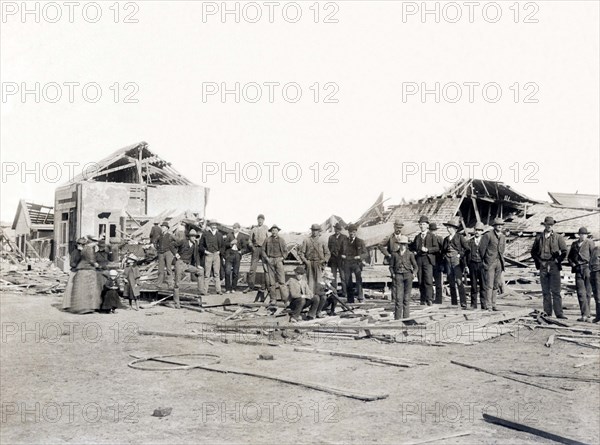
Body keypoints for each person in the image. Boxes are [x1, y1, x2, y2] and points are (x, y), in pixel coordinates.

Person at [531, 216, 568, 318]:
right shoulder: (539, 237)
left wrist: (557, 260)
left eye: (551, 225)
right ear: (545, 225)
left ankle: (559, 314)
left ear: (553, 226)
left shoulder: (558, 237)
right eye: (548, 225)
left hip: (554, 265)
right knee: (545, 291)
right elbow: (533, 252)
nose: (549, 226)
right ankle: (547, 313)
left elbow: (565, 251)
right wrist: (539, 261)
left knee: (556, 291)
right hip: (543, 265)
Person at [410, 216, 439, 306]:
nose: (422, 226)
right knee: (420, 280)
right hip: (419, 259)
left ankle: (429, 299)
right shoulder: (417, 237)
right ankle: (422, 299)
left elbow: (437, 248)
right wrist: (414, 251)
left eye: (423, 224)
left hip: (428, 259)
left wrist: (427, 250)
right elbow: (413, 247)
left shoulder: (432, 236)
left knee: (428, 280)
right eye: (420, 224)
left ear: (427, 225)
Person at [442, 217, 470, 308]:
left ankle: (463, 302)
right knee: (451, 282)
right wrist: (445, 256)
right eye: (447, 227)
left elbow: (467, 249)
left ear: (454, 228)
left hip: (457, 261)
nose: (448, 229)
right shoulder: (446, 239)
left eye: (449, 227)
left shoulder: (460, 237)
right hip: (448, 261)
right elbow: (443, 251)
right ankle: (454, 302)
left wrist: (460, 255)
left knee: (459, 281)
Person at [568, 227, 594, 322]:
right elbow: (570, 257)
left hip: (588, 269)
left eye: (585, 234)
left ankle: (587, 314)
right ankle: (584, 314)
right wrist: (573, 264)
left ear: (587, 235)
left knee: (587, 292)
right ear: (578, 235)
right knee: (580, 292)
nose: (583, 236)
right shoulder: (574, 244)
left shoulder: (590, 243)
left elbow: (594, 256)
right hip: (578, 269)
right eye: (581, 234)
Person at [480, 217, 506, 312]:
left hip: (499, 262)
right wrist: (486, 260)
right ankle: (488, 305)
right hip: (490, 262)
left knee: (495, 285)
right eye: (498, 225)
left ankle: (494, 304)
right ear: (494, 226)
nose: (500, 226)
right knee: (489, 285)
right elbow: (482, 250)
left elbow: (502, 250)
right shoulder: (488, 235)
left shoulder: (503, 236)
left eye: (501, 225)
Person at [174, 229, 205, 308]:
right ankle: (176, 302)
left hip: (187, 265)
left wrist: (198, 265)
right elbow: (172, 245)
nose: (194, 238)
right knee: (177, 283)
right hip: (180, 263)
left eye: (195, 236)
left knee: (200, 272)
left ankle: (201, 290)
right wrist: (176, 254)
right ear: (189, 237)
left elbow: (197, 255)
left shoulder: (195, 244)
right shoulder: (183, 241)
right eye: (192, 236)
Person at [68, 240, 101, 314]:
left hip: (82, 269)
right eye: (95, 242)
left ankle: (80, 307)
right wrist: (97, 265)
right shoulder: (89, 249)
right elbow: (91, 260)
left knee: (81, 289)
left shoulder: (84, 249)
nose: (96, 243)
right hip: (87, 270)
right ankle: (86, 308)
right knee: (88, 289)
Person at [389, 235, 417, 320]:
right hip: (398, 276)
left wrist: (414, 274)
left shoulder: (410, 254)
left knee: (406, 298)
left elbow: (415, 266)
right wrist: (393, 274)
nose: (403, 246)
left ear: (407, 245)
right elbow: (391, 266)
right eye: (401, 244)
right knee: (398, 298)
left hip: (408, 276)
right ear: (399, 244)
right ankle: (397, 319)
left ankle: (406, 319)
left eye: (404, 244)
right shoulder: (395, 254)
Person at [298, 224, 330, 294]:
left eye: (316, 230)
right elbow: (301, 253)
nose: (314, 232)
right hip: (309, 263)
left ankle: (319, 297)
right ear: (311, 231)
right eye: (313, 230)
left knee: (319, 281)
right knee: (310, 281)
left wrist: (323, 261)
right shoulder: (306, 240)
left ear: (319, 231)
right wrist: (306, 262)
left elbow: (327, 253)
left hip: (319, 263)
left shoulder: (322, 240)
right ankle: (311, 297)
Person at [378, 220, 404, 302]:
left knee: (403, 279)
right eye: (397, 227)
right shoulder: (390, 237)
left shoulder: (404, 237)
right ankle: (394, 298)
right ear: (394, 227)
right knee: (394, 279)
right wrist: (387, 254)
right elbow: (380, 245)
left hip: (402, 261)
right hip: (393, 261)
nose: (398, 229)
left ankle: (401, 298)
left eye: (400, 228)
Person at [341, 224, 367, 303]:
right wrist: (342, 256)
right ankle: (350, 299)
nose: (352, 233)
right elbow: (340, 252)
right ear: (348, 232)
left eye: (353, 232)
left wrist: (359, 257)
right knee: (348, 281)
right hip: (347, 263)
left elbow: (366, 253)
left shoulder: (360, 241)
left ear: (356, 232)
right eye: (350, 232)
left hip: (356, 263)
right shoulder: (344, 242)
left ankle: (360, 297)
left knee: (358, 279)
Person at [262, 224, 287, 301]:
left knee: (282, 281)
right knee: (271, 282)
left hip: (279, 260)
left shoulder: (282, 240)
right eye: (273, 230)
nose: (274, 232)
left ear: (278, 231)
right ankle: (273, 299)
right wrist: (267, 258)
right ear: (271, 231)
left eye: (275, 230)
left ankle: (285, 299)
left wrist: (282, 258)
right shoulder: (267, 240)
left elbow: (286, 251)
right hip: (270, 260)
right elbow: (262, 250)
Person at [245, 214, 269, 293]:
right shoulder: (254, 229)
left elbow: (268, 239)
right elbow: (249, 240)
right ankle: (250, 286)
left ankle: (266, 286)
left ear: (263, 220)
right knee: (252, 269)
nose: (260, 221)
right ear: (257, 220)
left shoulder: (266, 228)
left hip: (263, 249)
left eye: (261, 219)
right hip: (255, 249)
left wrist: (266, 249)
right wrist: (252, 247)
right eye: (259, 219)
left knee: (266, 268)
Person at [62, 238, 87, 310]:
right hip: (75, 271)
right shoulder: (75, 252)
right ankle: (68, 304)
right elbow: (72, 263)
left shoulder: (84, 252)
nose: (82, 246)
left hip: (82, 271)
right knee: (71, 287)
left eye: (83, 244)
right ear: (78, 244)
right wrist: (79, 265)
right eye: (81, 244)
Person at [467, 222, 486, 309]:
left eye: (479, 230)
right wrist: (467, 266)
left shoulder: (485, 242)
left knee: (483, 285)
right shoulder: (470, 242)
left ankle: (483, 304)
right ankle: (473, 304)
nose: (477, 232)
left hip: (482, 265)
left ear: (482, 231)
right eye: (476, 230)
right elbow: (467, 255)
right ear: (474, 231)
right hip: (473, 264)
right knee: (473, 285)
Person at [224, 223, 248, 293]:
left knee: (235, 272)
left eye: (237, 228)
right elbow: (225, 245)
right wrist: (231, 243)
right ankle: (228, 289)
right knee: (227, 272)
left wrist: (241, 252)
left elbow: (245, 248)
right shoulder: (229, 235)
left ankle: (234, 288)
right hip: (229, 254)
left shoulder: (242, 236)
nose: (235, 229)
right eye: (234, 228)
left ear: (239, 228)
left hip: (237, 254)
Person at [202, 220, 225, 295]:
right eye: (212, 225)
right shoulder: (205, 234)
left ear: (216, 226)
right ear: (210, 226)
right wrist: (205, 251)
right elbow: (201, 246)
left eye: (215, 225)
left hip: (216, 255)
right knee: (207, 274)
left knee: (216, 273)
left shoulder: (219, 235)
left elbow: (223, 246)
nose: (214, 226)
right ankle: (205, 290)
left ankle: (218, 290)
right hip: (208, 255)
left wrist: (219, 251)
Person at [327, 222, 348, 297]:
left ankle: (344, 292)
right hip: (333, 259)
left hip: (341, 259)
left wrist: (343, 255)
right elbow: (329, 248)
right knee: (333, 277)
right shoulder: (331, 237)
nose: (337, 230)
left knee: (343, 276)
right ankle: (334, 293)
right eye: (336, 229)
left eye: (338, 229)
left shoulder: (344, 237)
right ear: (334, 229)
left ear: (340, 230)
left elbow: (345, 248)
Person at [156, 222, 176, 288]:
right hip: (161, 253)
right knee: (160, 269)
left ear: (167, 228)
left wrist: (173, 249)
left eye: (164, 227)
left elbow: (177, 242)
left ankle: (171, 284)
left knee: (169, 268)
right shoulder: (160, 236)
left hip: (168, 253)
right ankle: (159, 284)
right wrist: (158, 249)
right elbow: (155, 243)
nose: (162, 228)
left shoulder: (170, 235)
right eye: (162, 227)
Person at [429, 223, 445, 304]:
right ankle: (430, 298)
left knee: (438, 283)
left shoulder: (439, 239)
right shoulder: (427, 239)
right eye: (431, 231)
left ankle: (438, 299)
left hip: (438, 263)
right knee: (429, 282)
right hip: (429, 263)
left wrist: (442, 264)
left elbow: (443, 251)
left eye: (434, 231)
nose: (433, 232)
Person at [590, 239, 600, 323]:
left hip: (598, 272)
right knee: (596, 295)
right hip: (593, 272)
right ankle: (598, 316)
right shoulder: (595, 249)